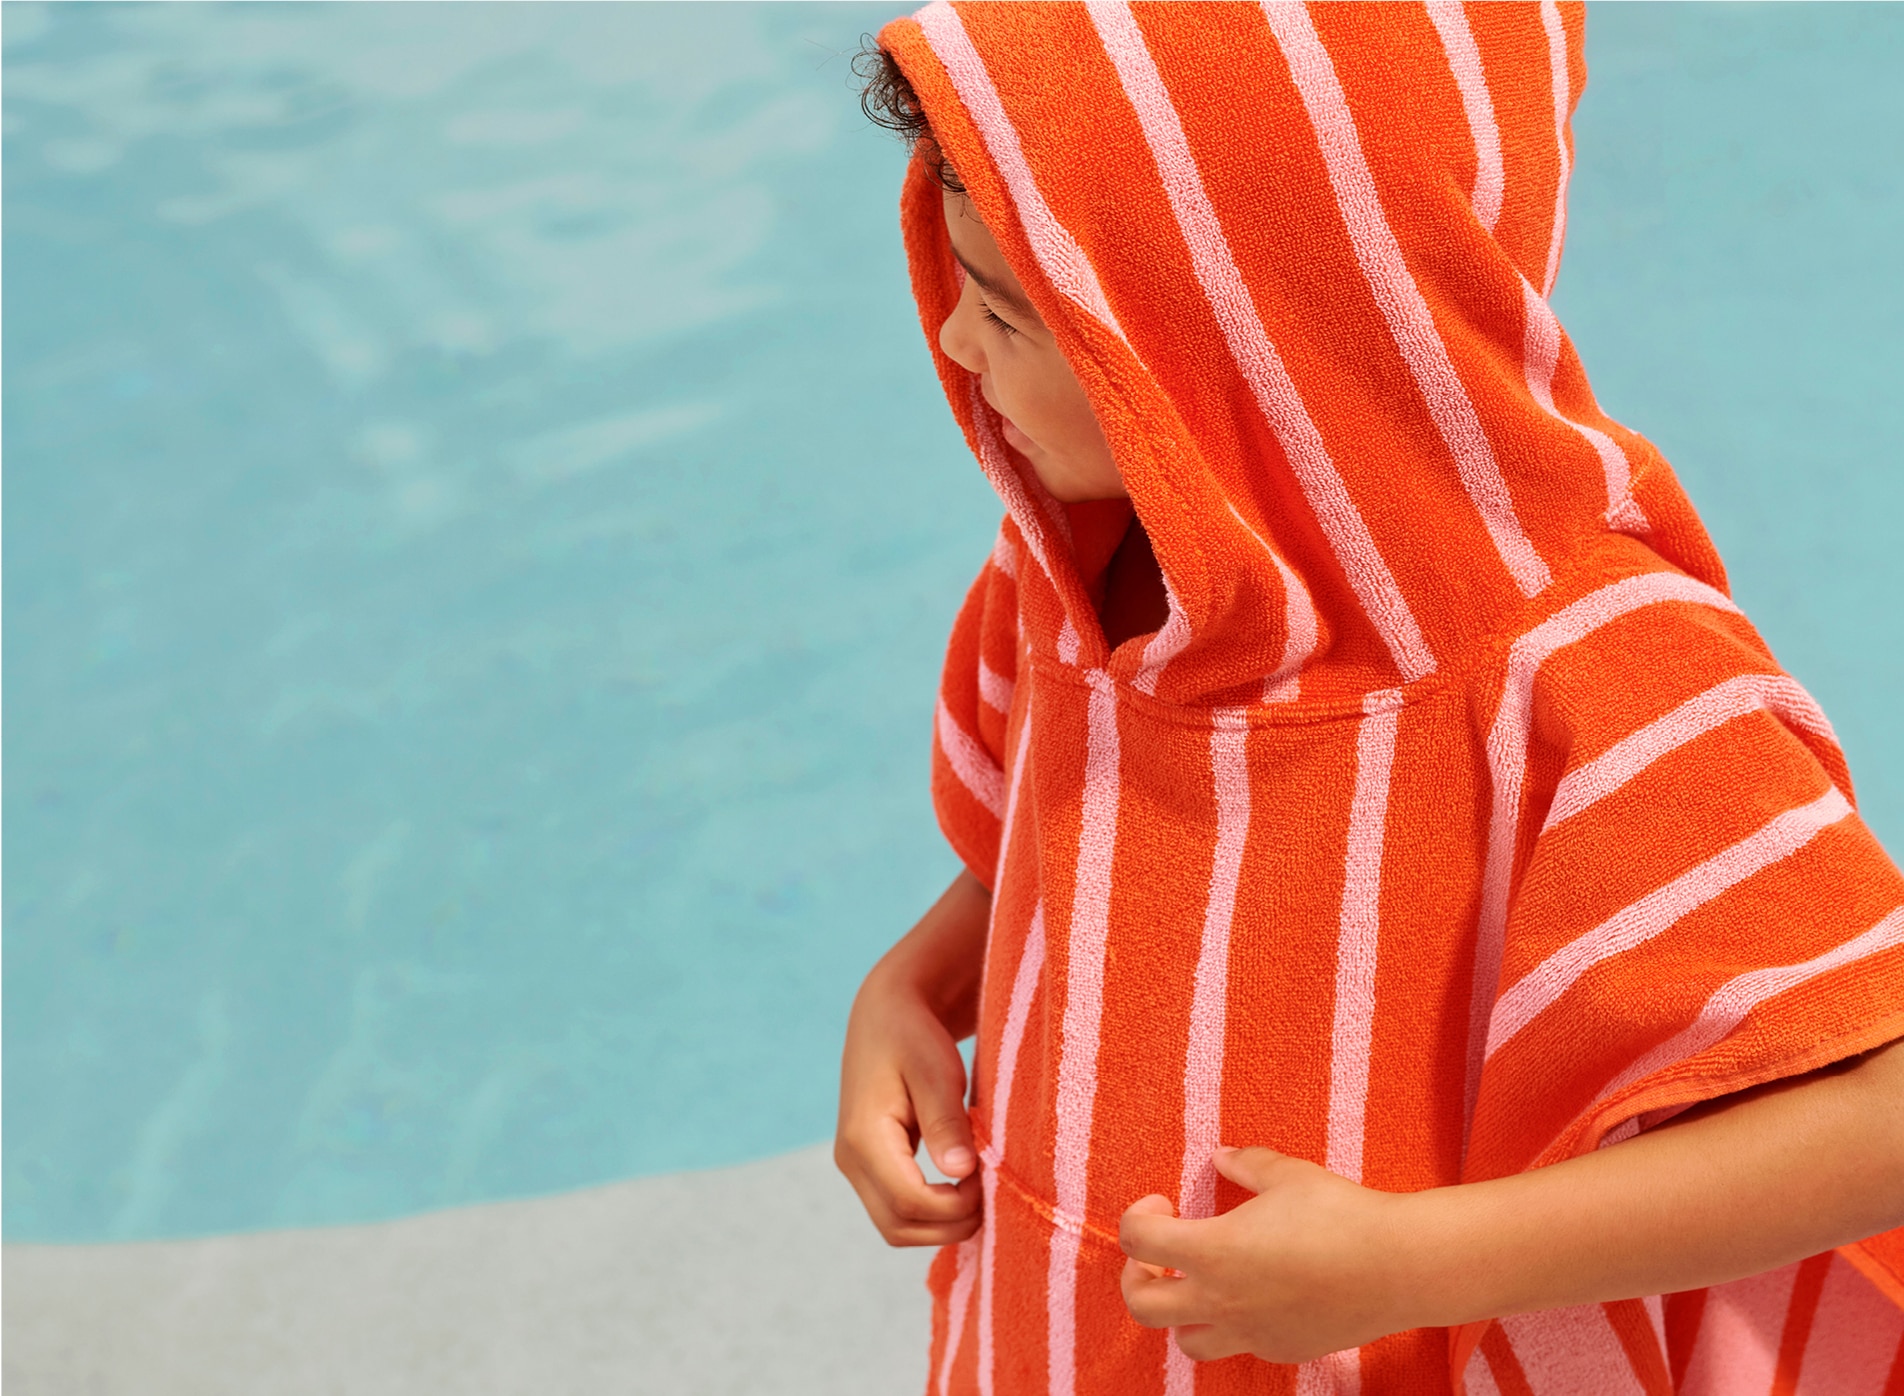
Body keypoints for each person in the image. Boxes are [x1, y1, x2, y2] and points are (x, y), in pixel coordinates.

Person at [832, 4, 1904, 1393]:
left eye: (1010, 310)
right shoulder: (1090, 586)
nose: (959, 351)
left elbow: (1879, 1118)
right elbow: (1081, 856)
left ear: (1234, 332)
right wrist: (912, 985)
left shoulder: (1589, 685)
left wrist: (1422, 1264)